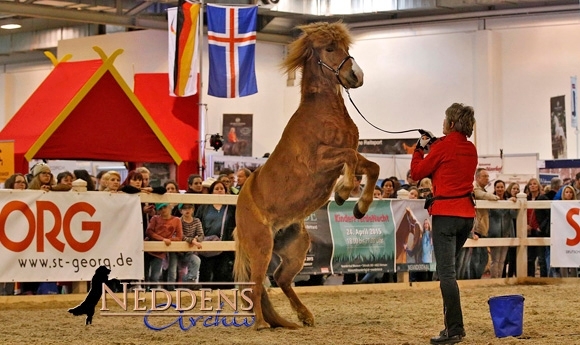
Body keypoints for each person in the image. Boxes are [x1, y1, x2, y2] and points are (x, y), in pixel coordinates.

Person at [410, 102, 477, 344]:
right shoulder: (471, 149)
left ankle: (455, 329)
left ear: (449, 123)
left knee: (446, 274)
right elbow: (451, 157)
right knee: (450, 272)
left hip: (446, 216)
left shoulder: (443, 147)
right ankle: (452, 327)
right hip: (466, 216)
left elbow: (417, 173)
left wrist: (419, 149)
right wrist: (436, 143)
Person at [194, 181, 236, 288]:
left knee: (222, 274)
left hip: (224, 245)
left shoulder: (231, 207)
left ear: (225, 191)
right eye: (216, 189)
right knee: (206, 274)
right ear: (211, 191)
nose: (219, 191)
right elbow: (197, 221)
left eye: (221, 188)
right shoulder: (204, 207)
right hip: (206, 245)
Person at [166, 203, 203, 290]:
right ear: (180, 211)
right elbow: (180, 235)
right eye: (184, 208)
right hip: (176, 251)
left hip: (188, 251)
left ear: (193, 209)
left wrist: (196, 240)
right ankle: (170, 288)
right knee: (172, 270)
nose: (187, 210)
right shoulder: (178, 220)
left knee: (196, 261)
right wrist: (192, 240)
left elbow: (201, 235)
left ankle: (189, 281)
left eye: (189, 207)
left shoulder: (197, 221)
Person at [145, 203, 183, 288]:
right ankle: (146, 292)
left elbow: (179, 237)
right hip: (150, 248)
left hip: (160, 252)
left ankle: (152, 293)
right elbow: (149, 232)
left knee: (154, 276)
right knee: (145, 274)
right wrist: (163, 239)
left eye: (165, 207)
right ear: (158, 210)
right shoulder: (155, 218)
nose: (163, 210)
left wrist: (169, 240)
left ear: (170, 207)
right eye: (160, 208)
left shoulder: (176, 220)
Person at [488, 180, 517, 278]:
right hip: (494, 233)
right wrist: (507, 204)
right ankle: (494, 279)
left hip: (506, 232)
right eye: (498, 187)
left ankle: (499, 279)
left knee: (502, 259)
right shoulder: (490, 201)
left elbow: (514, 215)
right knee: (495, 259)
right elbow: (498, 212)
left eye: (501, 187)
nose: (500, 189)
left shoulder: (509, 200)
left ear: (504, 188)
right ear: (495, 188)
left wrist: (514, 206)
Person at [526, 177, 549, 277]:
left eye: (534, 183)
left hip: (539, 231)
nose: (532, 185)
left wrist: (541, 227)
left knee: (541, 258)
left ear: (538, 186)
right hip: (528, 231)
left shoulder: (543, 198)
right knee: (530, 258)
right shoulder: (526, 199)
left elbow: (549, 215)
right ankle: (530, 278)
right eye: (530, 184)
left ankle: (543, 279)